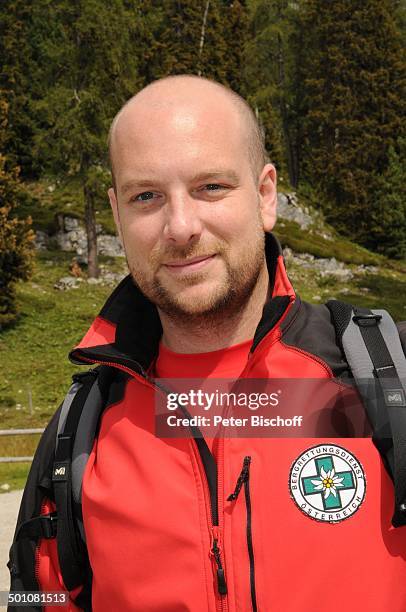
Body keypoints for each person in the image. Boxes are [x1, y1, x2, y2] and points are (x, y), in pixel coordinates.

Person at [8, 75, 406, 612]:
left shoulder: (385, 379)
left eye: (210, 187)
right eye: (146, 196)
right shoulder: (78, 431)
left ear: (266, 196)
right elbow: (39, 599)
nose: (180, 225)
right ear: (119, 214)